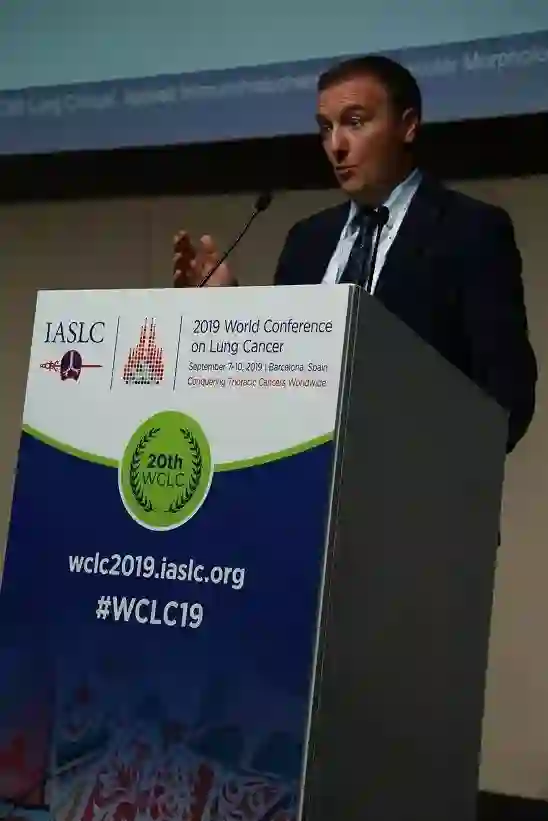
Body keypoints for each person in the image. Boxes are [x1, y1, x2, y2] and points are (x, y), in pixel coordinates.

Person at [172, 54, 537, 452]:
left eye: (355, 122)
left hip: (417, 478)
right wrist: (228, 311)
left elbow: (507, 398)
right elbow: (280, 375)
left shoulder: (470, 230)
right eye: (326, 128)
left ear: (408, 125)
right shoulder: (307, 241)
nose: (336, 146)